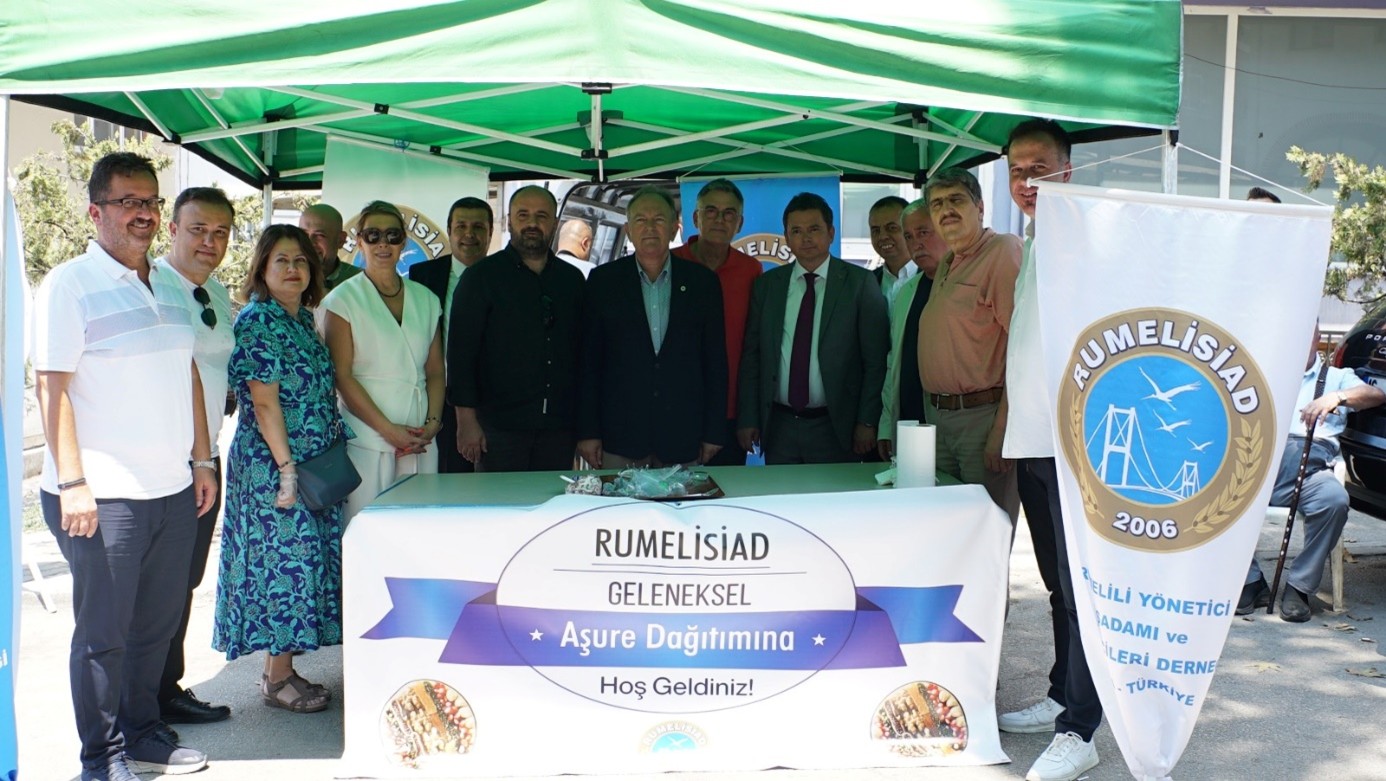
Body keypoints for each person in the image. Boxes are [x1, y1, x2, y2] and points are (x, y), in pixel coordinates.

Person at [30, 151, 214, 780]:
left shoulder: (168, 281)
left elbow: (188, 372)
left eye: (151, 202)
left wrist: (202, 458)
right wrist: (74, 482)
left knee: (155, 628)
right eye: (128, 202)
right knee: (103, 634)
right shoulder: (69, 285)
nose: (143, 213)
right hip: (102, 495)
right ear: (95, 211)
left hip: (172, 489)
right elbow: (51, 387)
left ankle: (142, 734)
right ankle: (102, 757)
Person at [988, 120, 1101, 781]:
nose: (1026, 181)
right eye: (1016, 171)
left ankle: (1080, 728)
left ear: (1067, 170)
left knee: (1081, 589)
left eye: (1039, 168)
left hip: (1071, 444)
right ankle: (1063, 690)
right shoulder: (1033, 239)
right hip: (1033, 438)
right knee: (1059, 585)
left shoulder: (1083, 239)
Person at [214, 224, 346, 714]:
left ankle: (281, 670)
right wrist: (287, 470)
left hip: (310, 466)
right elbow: (265, 402)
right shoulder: (259, 320)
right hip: (275, 468)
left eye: (301, 261)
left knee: (301, 563)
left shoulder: (301, 319)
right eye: (282, 261)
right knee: (282, 568)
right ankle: (276, 680)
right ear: (262, 269)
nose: (293, 269)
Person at [149, 187, 235, 729]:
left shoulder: (216, 292)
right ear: (173, 229)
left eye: (220, 232)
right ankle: (145, 697)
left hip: (207, 457)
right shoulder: (153, 286)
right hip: (165, 460)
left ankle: (165, 688)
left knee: (184, 581)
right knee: (158, 587)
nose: (209, 241)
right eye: (198, 229)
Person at [1240, 326, 1386, 621]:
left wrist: (1337, 397)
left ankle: (1300, 586)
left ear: (1316, 338)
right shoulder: (1265, 373)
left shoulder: (1336, 377)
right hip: (1258, 467)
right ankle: (1251, 581)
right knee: (1213, 494)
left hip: (1311, 471)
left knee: (1335, 501)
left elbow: (1376, 394)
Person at [578, 186, 727, 468]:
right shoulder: (602, 282)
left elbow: (715, 363)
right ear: (628, 230)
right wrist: (588, 432)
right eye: (640, 220)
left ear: (674, 229)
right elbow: (589, 362)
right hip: (620, 436)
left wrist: (713, 432)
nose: (649, 228)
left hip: (683, 435)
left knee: (683, 499)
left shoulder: (703, 283)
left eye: (658, 219)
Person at [738, 192, 888, 464]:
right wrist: (748, 417)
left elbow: (876, 361)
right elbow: (752, 356)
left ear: (831, 233)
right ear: (786, 237)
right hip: (779, 426)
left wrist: (867, 421)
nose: (805, 238)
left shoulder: (860, 284)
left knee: (835, 493)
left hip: (837, 426)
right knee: (780, 493)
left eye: (814, 229)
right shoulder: (767, 285)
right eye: (796, 231)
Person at [447, 186, 585, 471]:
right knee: (500, 501)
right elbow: (461, 355)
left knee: (553, 500)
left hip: (559, 428)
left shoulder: (571, 280)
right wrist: (466, 421)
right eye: (523, 215)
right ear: (509, 221)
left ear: (555, 223)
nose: (532, 223)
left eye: (541, 216)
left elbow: (583, 354)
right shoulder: (481, 278)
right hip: (498, 428)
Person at [323, 201, 444, 520]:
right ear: (359, 241)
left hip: (419, 438)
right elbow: (342, 376)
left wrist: (432, 424)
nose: (383, 244)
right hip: (367, 438)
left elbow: (434, 371)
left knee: (417, 527)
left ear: (404, 242)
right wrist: (388, 430)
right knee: (365, 527)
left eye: (392, 236)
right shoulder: (342, 300)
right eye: (373, 235)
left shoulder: (427, 299)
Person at [916, 167, 1021, 521]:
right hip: (940, 420)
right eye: (937, 204)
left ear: (980, 207)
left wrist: (1002, 431)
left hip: (982, 420)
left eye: (956, 200)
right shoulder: (948, 261)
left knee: (985, 530)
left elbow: (1024, 349)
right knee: (950, 531)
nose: (946, 210)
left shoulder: (1002, 251)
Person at [673, 178, 763, 466]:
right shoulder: (671, 263)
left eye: (729, 213)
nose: (719, 220)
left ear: (740, 223)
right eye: (710, 211)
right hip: (675, 409)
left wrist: (748, 415)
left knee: (726, 491)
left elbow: (754, 347)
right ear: (695, 218)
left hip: (730, 411)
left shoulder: (751, 270)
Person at [408, 196, 493, 473]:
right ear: (449, 230)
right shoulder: (422, 275)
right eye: (461, 226)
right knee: (445, 477)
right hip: (437, 398)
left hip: (491, 402)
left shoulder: (504, 276)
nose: (469, 234)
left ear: (491, 232)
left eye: (478, 227)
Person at [877, 199, 947, 460]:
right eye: (909, 236)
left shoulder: (965, 283)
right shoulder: (907, 291)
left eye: (923, 232)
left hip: (955, 421)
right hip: (909, 422)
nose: (916, 243)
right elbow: (893, 362)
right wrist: (887, 424)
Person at [868, 195, 916, 314]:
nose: (882, 236)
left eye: (892, 228)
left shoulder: (933, 278)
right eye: (876, 230)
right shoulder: (867, 282)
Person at [299, 203, 361, 291]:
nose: (309, 242)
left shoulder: (361, 282)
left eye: (319, 235)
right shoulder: (285, 279)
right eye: (303, 234)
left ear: (341, 240)